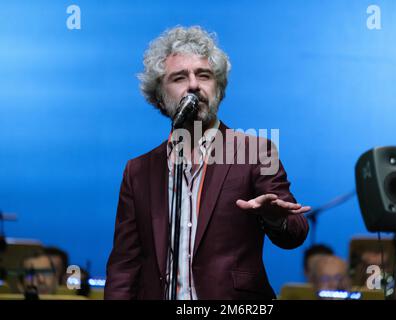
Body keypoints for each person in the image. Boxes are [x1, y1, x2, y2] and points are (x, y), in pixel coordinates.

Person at [105, 26, 310, 300]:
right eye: (179, 77)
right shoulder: (138, 171)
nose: (193, 85)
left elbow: (295, 233)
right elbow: (124, 266)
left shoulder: (256, 151)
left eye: (204, 75)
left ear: (219, 88)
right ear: (159, 96)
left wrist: (274, 218)